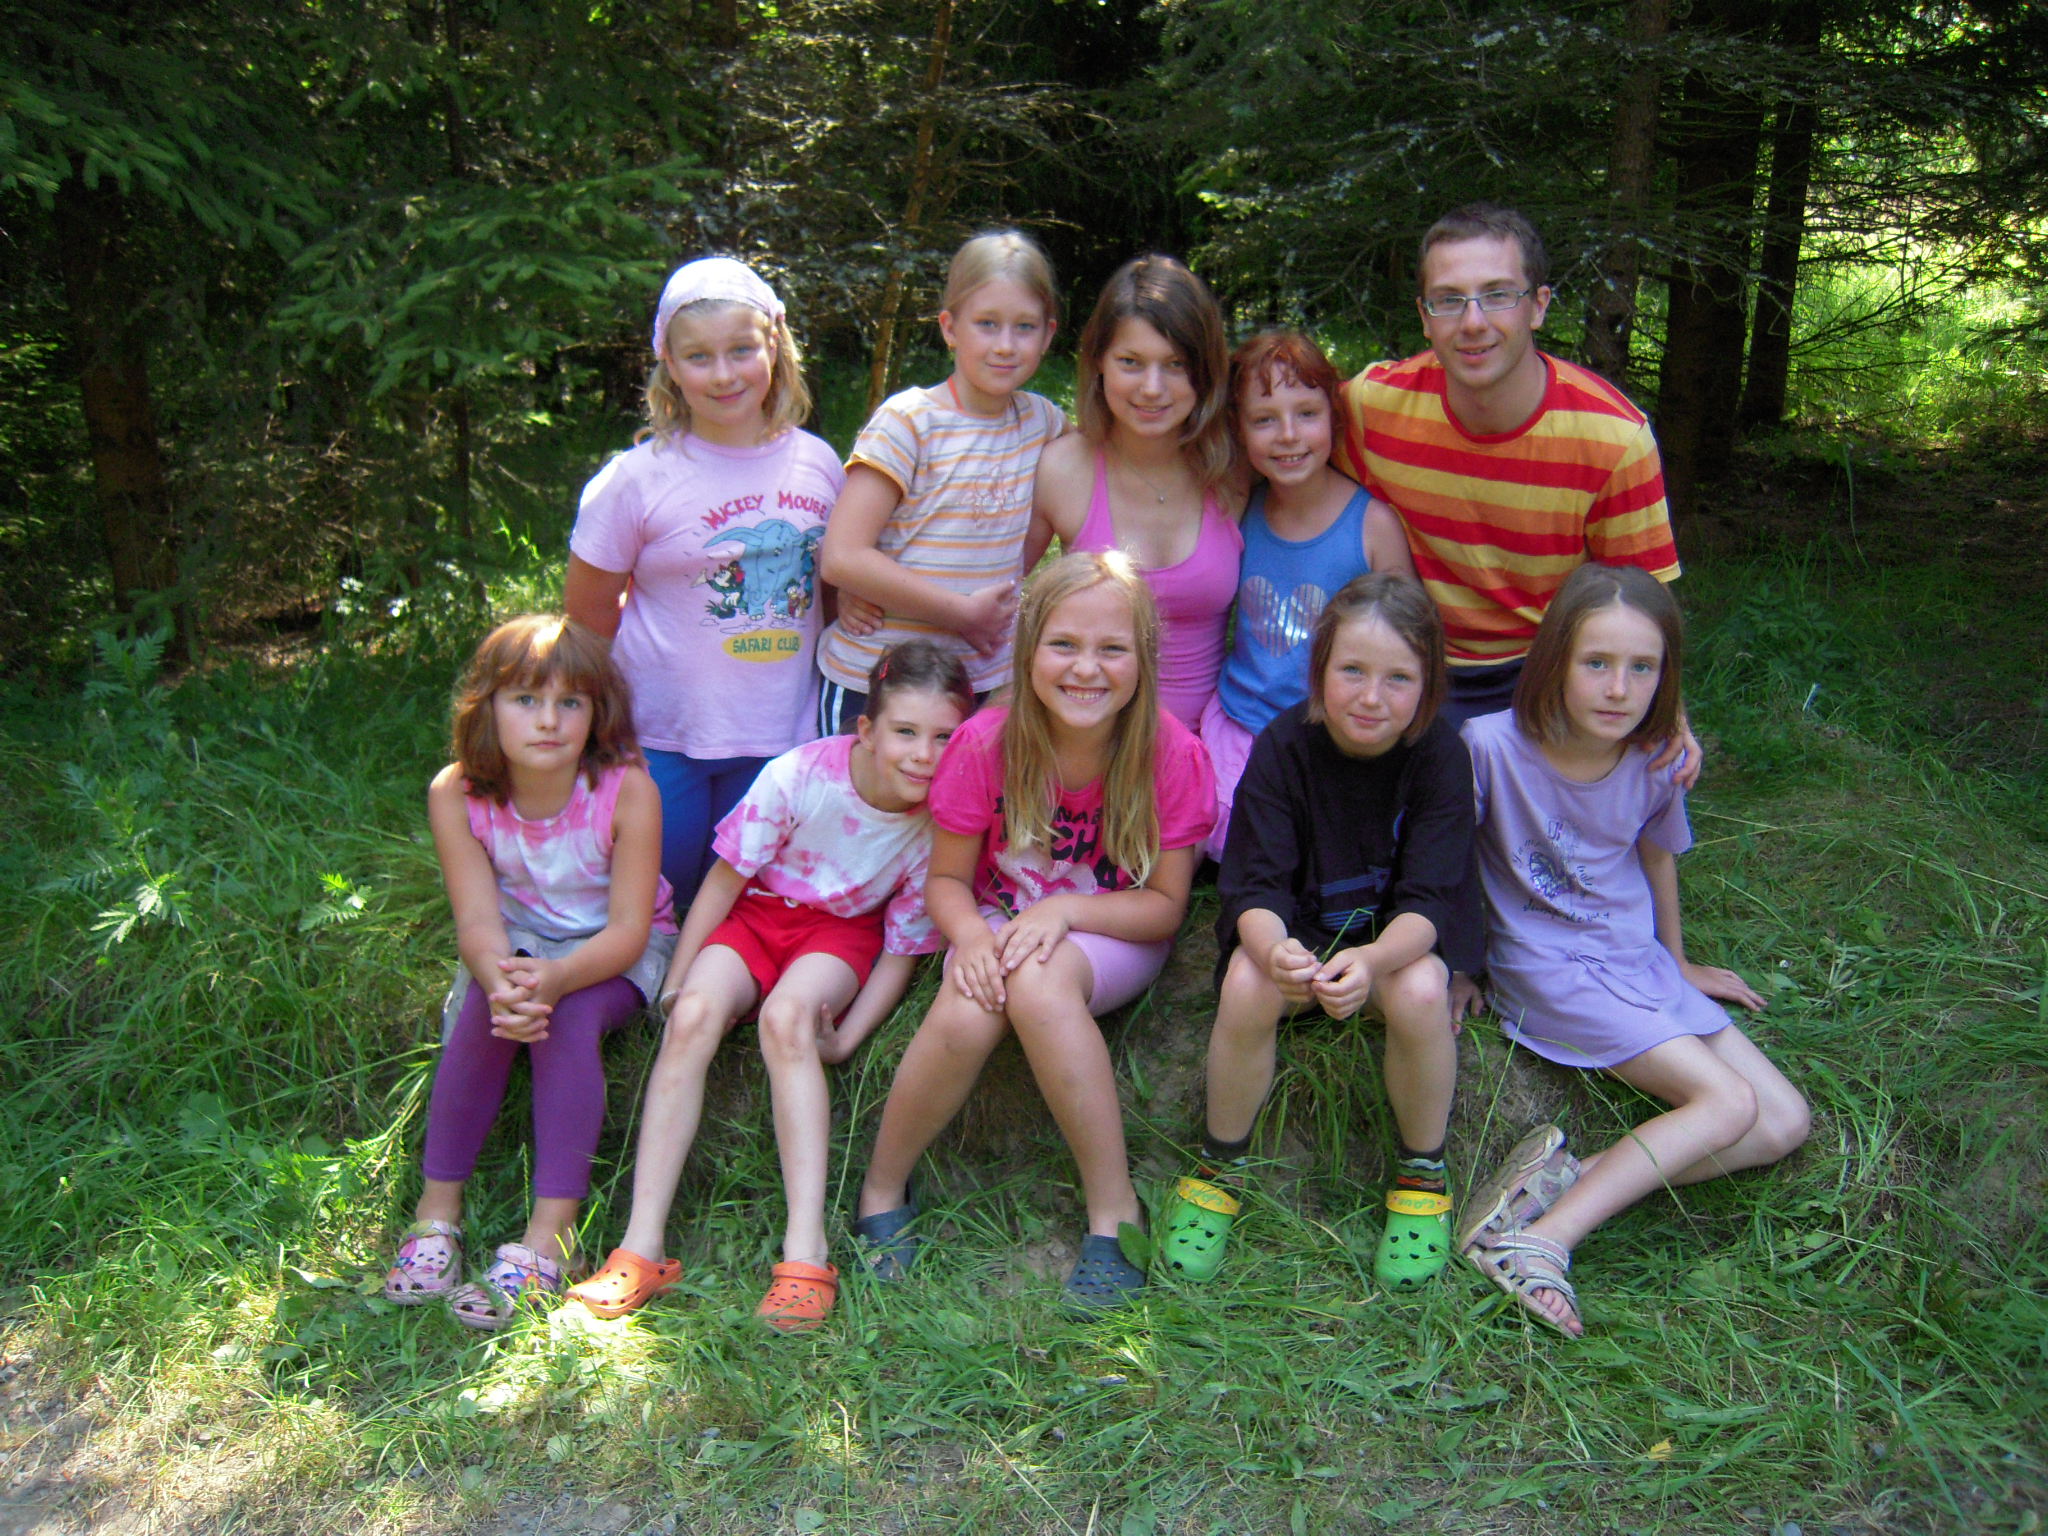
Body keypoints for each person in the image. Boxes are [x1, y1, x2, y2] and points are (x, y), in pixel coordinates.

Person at [563, 642, 974, 1331]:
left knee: (787, 1020)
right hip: (757, 915)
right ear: (866, 730)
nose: (923, 755)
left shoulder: (939, 823)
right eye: (905, 732)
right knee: (695, 1014)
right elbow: (723, 883)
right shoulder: (799, 776)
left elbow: (900, 951)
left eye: (944, 738)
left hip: (839, 933)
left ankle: (805, 1254)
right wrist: (678, 979)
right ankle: (641, 1246)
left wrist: (846, 1038)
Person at [853, 552, 1216, 1312]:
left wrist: (1063, 911)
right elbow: (948, 881)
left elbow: (1163, 905)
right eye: (1064, 645)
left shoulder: (1170, 753)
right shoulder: (984, 744)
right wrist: (970, 939)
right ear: (1027, 652)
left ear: (1144, 659)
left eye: (1112, 649)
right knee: (967, 1005)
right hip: (998, 921)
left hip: (1111, 928)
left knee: (1040, 984)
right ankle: (882, 1189)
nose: (1086, 668)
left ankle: (1114, 1212)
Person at [1459, 564, 1809, 1337]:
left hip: (1632, 955)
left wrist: (1676, 962)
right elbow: (1443, 860)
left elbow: (1657, 856)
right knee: (1728, 1103)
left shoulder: (1655, 760)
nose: (1618, 688)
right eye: (1597, 663)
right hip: (1548, 967)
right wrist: (1457, 964)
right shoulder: (1488, 746)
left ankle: (1565, 1181)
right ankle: (1539, 1241)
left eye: (1642, 668)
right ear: (1555, 658)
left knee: (1784, 1122)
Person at [1168, 575, 1480, 1290]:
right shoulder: (1283, 746)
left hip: (1391, 947)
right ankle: (1219, 1165)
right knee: (1246, 983)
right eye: (1352, 671)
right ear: (1319, 672)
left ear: (1429, 685)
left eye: (1398, 678)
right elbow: (1253, 886)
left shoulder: (1440, 756)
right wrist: (1274, 950)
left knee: (1423, 993)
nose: (1371, 697)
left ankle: (1423, 1177)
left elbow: (1431, 902)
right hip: (1299, 941)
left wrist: (1370, 961)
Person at [383, 616, 676, 1330]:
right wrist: (500, 977)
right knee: (486, 1010)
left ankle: (552, 1239)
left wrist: (556, 979)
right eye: (526, 700)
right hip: (513, 944)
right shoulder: (456, 792)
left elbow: (630, 929)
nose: (549, 721)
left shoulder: (627, 790)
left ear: (597, 713)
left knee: (567, 1019)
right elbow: (477, 922)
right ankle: (436, 1216)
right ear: (485, 707)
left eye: (570, 702)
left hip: (613, 951)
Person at [1332, 203, 1696, 777]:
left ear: (1539, 305)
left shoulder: (1612, 438)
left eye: (1498, 295)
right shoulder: (1372, 408)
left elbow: (1643, 603)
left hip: (1548, 669)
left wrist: (1669, 708)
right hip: (1416, 660)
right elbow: (1267, 444)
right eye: (1449, 300)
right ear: (1425, 317)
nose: (1473, 322)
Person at [566, 256, 842, 909]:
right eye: (698, 357)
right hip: (663, 738)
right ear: (668, 363)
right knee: (662, 900)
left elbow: (831, 594)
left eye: (741, 350)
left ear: (774, 344)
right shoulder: (634, 481)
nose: (723, 375)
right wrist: (596, 727)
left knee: (749, 908)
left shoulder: (820, 463)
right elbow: (587, 621)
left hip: (781, 736)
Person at [815, 230, 1066, 735]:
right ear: (950, 328)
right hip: (878, 686)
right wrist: (960, 613)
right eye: (987, 324)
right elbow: (842, 555)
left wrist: (1004, 589)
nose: (1005, 345)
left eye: (1024, 327)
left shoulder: (1042, 422)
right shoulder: (908, 422)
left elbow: (1077, 488)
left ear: (1048, 335)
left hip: (982, 682)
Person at [1200, 329, 1416, 856]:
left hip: (1332, 731)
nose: (1288, 435)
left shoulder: (1372, 526)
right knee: (1221, 837)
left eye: (1307, 414)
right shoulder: (1241, 509)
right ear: (1239, 429)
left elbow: (1410, 641)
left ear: (1334, 420)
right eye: (1264, 419)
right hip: (1243, 721)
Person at [1029, 255, 1243, 732]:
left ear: (1206, 370)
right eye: (1131, 362)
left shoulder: (1236, 470)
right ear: (1098, 362)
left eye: (1176, 365)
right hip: (1089, 742)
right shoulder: (1063, 469)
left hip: (1207, 748)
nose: (1152, 388)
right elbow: (999, 597)